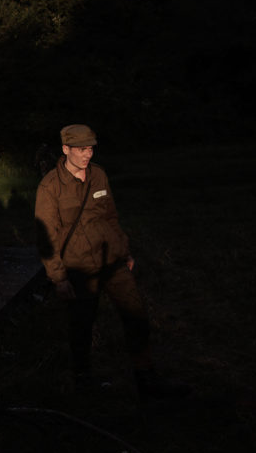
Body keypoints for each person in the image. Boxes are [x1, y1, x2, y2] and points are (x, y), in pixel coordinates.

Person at [35, 124, 189, 398]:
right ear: (66, 149)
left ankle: (146, 378)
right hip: (80, 267)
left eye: (91, 148)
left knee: (136, 316)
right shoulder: (50, 187)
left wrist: (125, 250)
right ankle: (83, 383)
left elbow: (111, 217)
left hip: (113, 261)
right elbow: (46, 236)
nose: (87, 154)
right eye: (81, 149)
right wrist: (58, 277)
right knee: (82, 326)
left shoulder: (99, 175)